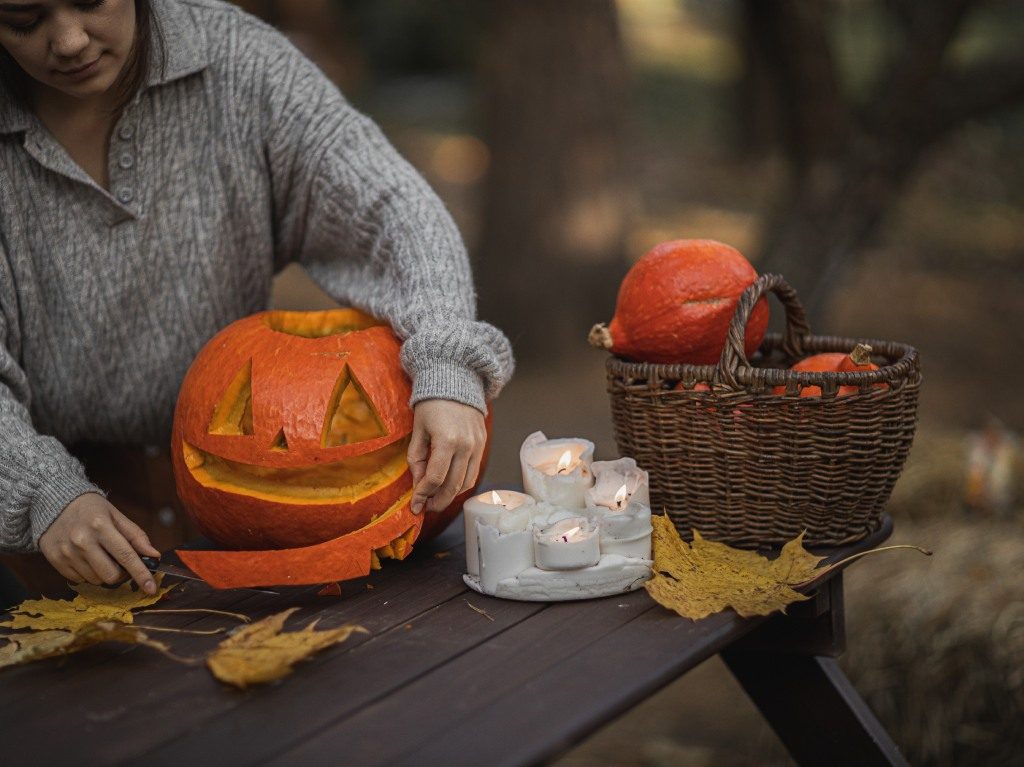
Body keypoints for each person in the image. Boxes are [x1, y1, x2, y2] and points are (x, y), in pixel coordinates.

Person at [0, 0, 513, 596]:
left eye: (90, 1)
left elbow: (391, 206)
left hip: (239, 508)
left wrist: (447, 354)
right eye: (22, 19)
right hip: (54, 530)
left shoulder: (238, 62)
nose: (67, 40)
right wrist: (40, 489)